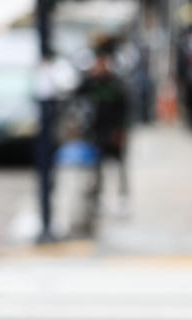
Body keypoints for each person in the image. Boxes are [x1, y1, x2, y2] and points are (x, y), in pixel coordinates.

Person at [75, 39, 130, 212]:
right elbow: (78, 95)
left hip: (114, 131)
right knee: (96, 167)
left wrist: (121, 131)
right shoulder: (91, 82)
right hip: (97, 131)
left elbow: (126, 109)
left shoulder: (116, 84)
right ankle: (97, 198)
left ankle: (123, 198)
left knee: (119, 166)